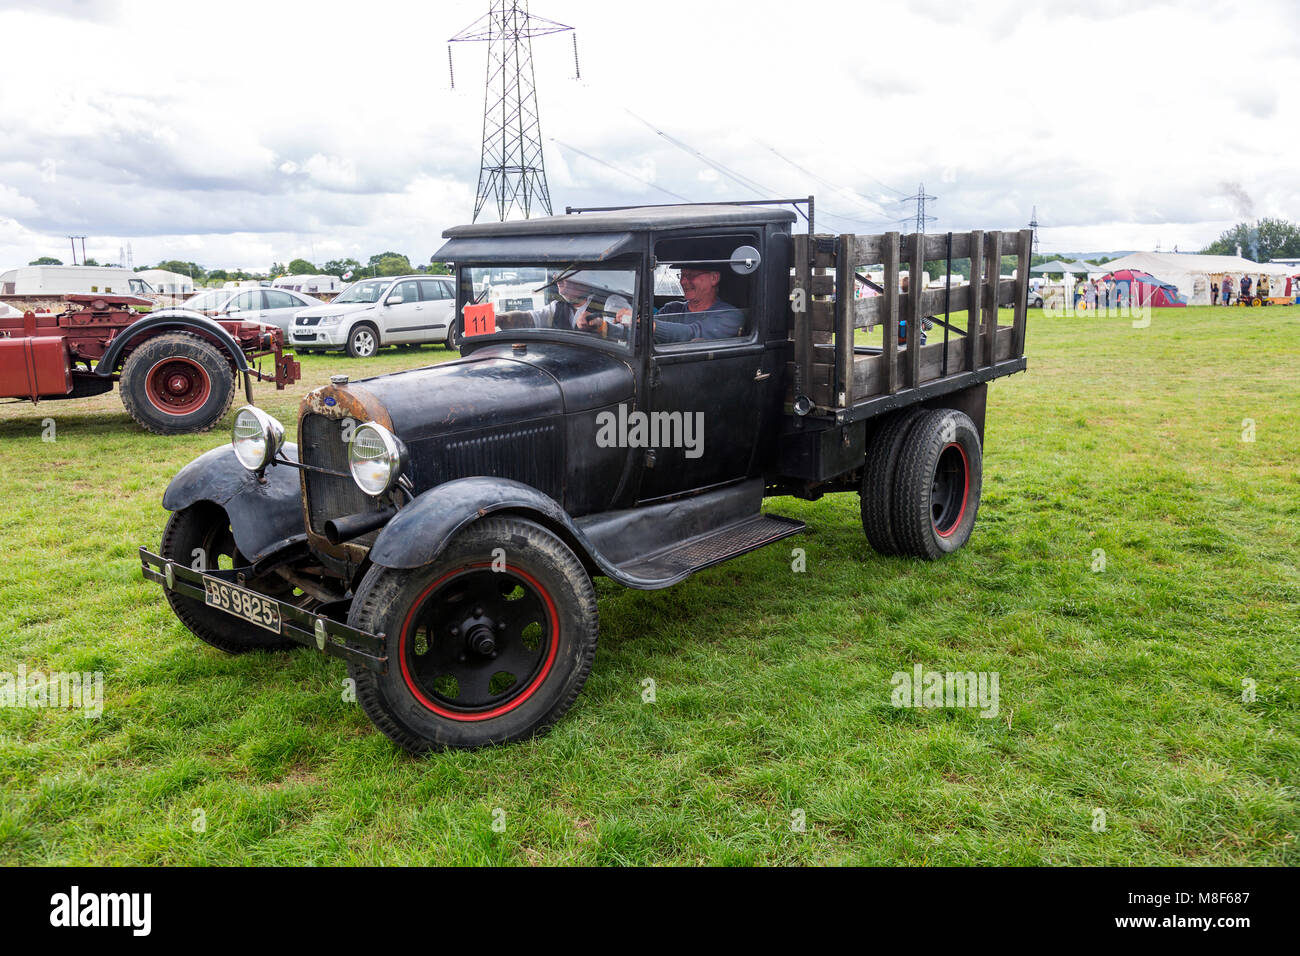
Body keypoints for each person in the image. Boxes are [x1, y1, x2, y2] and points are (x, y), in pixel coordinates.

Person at [496, 271, 633, 335]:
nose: (557, 278)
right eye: (556, 274)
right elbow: (529, 319)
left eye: (565, 273)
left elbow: (628, 329)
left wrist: (601, 325)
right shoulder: (557, 307)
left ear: (583, 277)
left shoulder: (612, 302)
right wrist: (498, 319)